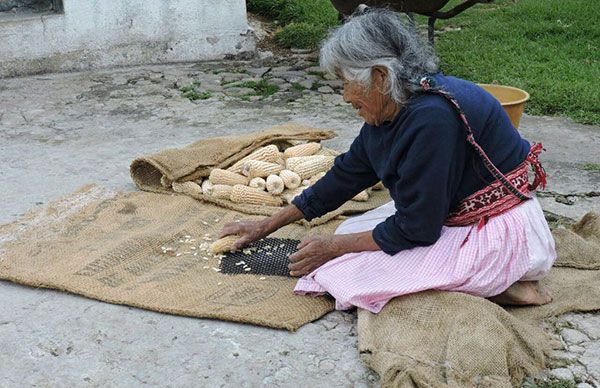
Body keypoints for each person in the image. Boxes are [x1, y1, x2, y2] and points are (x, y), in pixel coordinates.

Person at [219, 8, 556, 313]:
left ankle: (507, 285)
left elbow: (418, 229)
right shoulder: (394, 106)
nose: (345, 96)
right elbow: (348, 174)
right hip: (451, 212)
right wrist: (265, 226)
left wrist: (333, 247)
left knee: (346, 275)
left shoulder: (432, 119)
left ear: (380, 76)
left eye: (347, 83)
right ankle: (481, 278)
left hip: (499, 233)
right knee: (349, 236)